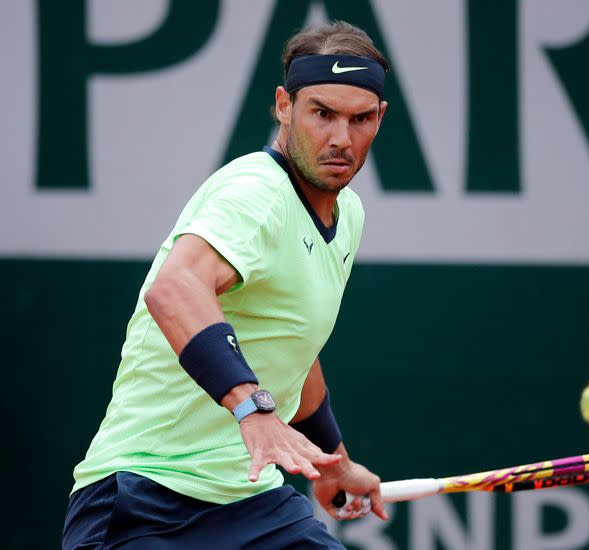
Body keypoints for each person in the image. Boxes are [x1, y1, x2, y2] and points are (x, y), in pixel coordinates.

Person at [63, 20, 390, 549]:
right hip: (146, 497)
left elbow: (292, 346)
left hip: (250, 499)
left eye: (360, 119)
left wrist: (334, 460)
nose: (340, 138)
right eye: (321, 113)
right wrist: (253, 408)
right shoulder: (255, 191)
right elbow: (174, 289)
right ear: (284, 106)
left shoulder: (347, 213)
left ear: (380, 118)